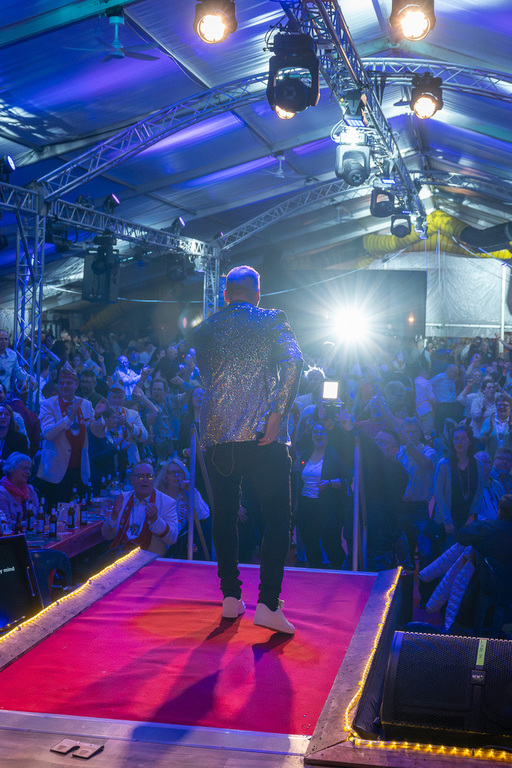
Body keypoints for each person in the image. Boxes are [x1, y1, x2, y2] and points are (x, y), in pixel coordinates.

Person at [194, 265, 303, 634]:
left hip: (217, 434)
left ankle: (230, 597)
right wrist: (277, 412)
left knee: (224, 515)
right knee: (277, 517)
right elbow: (294, 361)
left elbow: (209, 378)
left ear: (225, 295)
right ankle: (268, 604)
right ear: (258, 294)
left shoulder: (205, 328)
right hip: (262, 435)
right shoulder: (271, 318)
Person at [37, 362, 107, 507]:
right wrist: (69, 418)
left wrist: (98, 416)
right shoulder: (48, 404)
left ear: (76, 385)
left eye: (69, 383)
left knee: (81, 509)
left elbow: (100, 433)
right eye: (61, 383)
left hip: (80, 467)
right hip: (56, 470)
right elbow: (48, 434)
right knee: (56, 511)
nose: (64, 386)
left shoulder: (86, 404)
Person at [297, 423, 350, 570]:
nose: (319, 435)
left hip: (327, 506)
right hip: (306, 505)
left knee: (330, 542)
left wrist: (330, 483)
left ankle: (342, 572)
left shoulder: (335, 455)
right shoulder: (306, 454)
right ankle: (315, 573)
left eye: (322, 432)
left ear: (328, 436)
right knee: (309, 541)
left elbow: (348, 478)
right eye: (315, 432)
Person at [101, 461, 178, 555]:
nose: (145, 480)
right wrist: (114, 516)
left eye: (149, 476)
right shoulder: (123, 498)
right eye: (140, 476)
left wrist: (155, 520)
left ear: (154, 479)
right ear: (132, 479)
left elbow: (173, 539)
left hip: (149, 558)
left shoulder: (167, 502)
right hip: (120, 557)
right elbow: (107, 536)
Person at [434, 425, 484, 547]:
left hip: (468, 519)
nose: (459, 442)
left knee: (466, 555)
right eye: (456, 439)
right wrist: (447, 521)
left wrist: (472, 516)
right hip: (448, 520)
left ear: (470, 441)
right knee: (448, 553)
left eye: (463, 438)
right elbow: (438, 494)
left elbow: (479, 492)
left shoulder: (477, 464)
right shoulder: (444, 464)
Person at [155, 458, 210, 557]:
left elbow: (203, 515)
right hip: (160, 542)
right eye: (172, 472)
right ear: (165, 476)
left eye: (179, 472)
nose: (176, 476)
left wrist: (193, 491)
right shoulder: (159, 495)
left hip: (181, 546)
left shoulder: (189, 495)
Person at [0, 453, 39, 531]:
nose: (28, 472)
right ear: (12, 469)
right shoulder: (2, 492)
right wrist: (30, 523)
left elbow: (39, 515)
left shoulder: (30, 490)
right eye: (25, 468)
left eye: (29, 469)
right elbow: (5, 524)